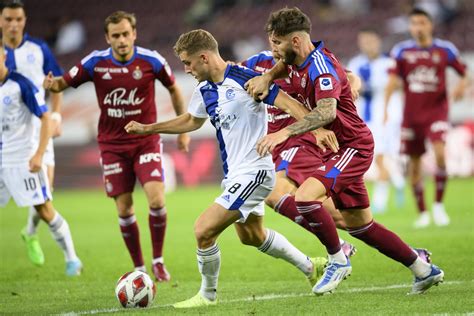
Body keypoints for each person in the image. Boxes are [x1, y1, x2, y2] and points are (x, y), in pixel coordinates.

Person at [246, 7, 444, 295]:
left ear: (297, 41)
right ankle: (423, 269)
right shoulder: (295, 59)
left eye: (277, 42)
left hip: (353, 146)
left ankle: (337, 259)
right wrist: (266, 77)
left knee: (304, 198)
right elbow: (282, 66)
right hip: (335, 149)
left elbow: (326, 112)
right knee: (362, 226)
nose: (272, 49)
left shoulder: (320, 68)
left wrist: (284, 132)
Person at [125, 29, 327, 308]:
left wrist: (317, 131)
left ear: (204, 57)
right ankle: (310, 266)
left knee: (203, 230)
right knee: (252, 236)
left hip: (255, 171)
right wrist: (149, 128)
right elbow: (191, 121)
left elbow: (289, 104)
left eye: (188, 62)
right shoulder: (203, 89)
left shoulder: (247, 79)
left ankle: (207, 295)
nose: (186, 69)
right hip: (235, 173)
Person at [42, 10, 190, 281]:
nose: (122, 40)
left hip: (146, 142)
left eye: (126, 34)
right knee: (124, 208)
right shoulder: (95, 63)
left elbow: (174, 89)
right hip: (112, 146)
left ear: (134, 33)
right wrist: (53, 84)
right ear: (107, 38)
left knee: (157, 199)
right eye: (116, 36)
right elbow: (64, 82)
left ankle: (158, 261)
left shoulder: (151, 61)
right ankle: (139, 268)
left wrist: (182, 131)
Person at [242, 48, 357, 258]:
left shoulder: (305, 63)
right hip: (276, 144)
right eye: (273, 41)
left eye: (280, 41)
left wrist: (353, 88)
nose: (276, 46)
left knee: (274, 191)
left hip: (301, 139)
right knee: (342, 218)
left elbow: (349, 77)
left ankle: (338, 247)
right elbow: (231, 74)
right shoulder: (256, 63)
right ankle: (410, 254)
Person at [0, 39, 82, 276]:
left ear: (4, 56)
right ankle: (30, 232)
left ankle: (72, 260)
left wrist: (38, 154)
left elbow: (44, 118)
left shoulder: (21, 84)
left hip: (22, 159)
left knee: (45, 208)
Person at [384, 8, 468, 228]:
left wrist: (460, 86)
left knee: (440, 153)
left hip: (437, 111)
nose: (418, 27)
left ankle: (439, 205)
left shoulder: (445, 49)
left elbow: (464, 74)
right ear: (410, 27)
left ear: (430, 25)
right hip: (411, 115)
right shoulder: (401, 51)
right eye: (414, 23)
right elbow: (392, 81)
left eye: (422, 23)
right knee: (414, 165)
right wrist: (385, 108)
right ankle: (422, 211)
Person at [1, 0, 68, 268]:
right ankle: (30, 233)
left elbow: (57, 82)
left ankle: (29, 232)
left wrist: (56, 115)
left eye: (18, 19)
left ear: (25, 20)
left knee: (45, 194)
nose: (13, 24)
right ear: (1, 20)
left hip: (38, 129)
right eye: (8, 19)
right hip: (9, 136)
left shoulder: (38, 49)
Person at [347, 28, 406, 213]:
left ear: (378, 42)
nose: (367, 45)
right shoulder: (355, 63)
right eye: (364, 41)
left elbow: (398, 85)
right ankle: (399, 183)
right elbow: (350, 87)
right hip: (365, 117)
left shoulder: (388, 63)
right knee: (382, 157)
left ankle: (380, 201)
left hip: (386, 117)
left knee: (381, 156)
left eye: (370, 41)